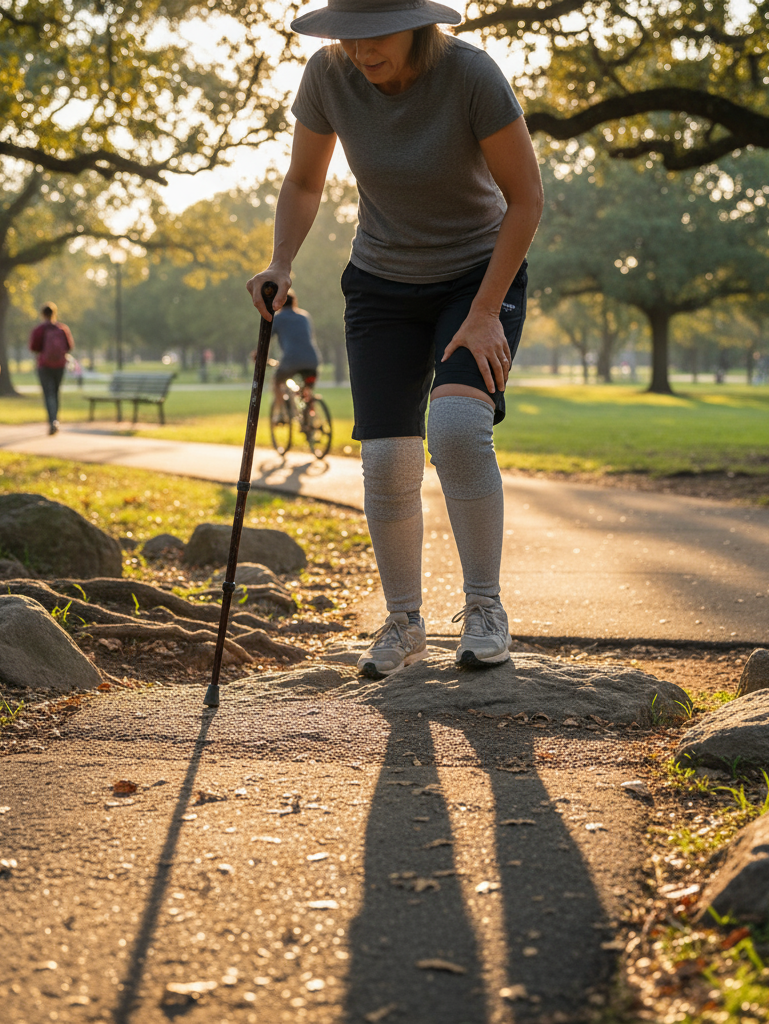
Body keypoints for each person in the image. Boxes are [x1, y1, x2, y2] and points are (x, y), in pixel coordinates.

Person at [247, 0, 543, 677]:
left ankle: (485, 609)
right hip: (382, 283)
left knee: (460, 431)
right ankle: (405, 624)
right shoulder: (327, 77)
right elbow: (302, 180)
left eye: (374, 33)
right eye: (347, 34)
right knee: (384, 461)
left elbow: (525, 196)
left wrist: (485, 309)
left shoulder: (471, 75)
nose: (359, 49)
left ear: (416, 23)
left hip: (477, 274)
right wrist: (280, 263)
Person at [269, 290, 322, 424]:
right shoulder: (304, 316)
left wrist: (258, 355)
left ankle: (281, 414)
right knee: (307, 390)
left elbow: (266, 340)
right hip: (312, 359)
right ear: (294, 302)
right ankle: (311, 419)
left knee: (277, 381)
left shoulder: (278, 318)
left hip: (291, 360)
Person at [29, 302, 75, 434]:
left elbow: (33, 347)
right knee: (55, 392)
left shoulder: (39, 330)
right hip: (59, 365)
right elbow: (69, 346)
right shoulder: (62, 329)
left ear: (43, 314)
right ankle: (56, 419)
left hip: (44, 365)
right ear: (54, 313)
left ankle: (52, 420)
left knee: (48, 393)